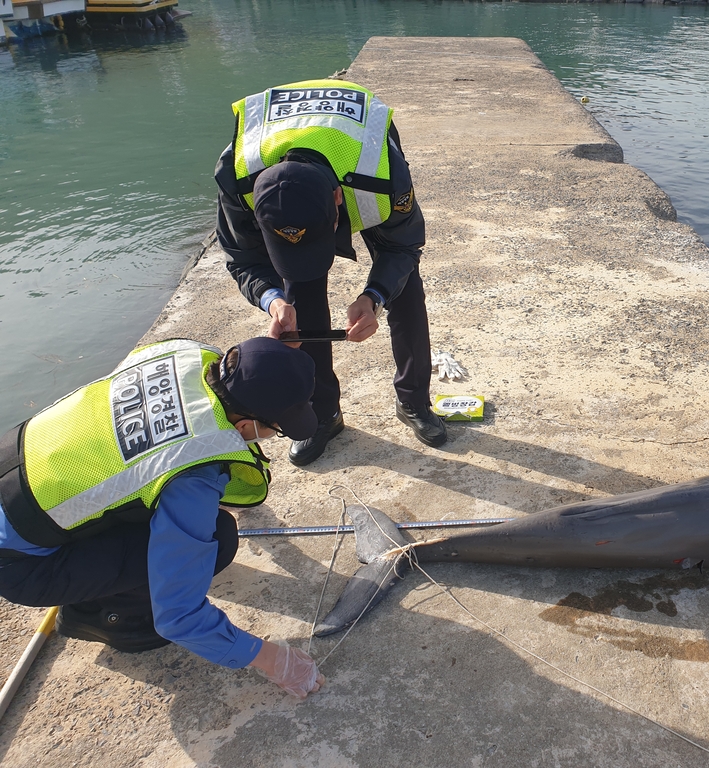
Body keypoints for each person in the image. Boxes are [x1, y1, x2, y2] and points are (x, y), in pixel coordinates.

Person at [0, 337, 325, 698]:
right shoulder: (193, 480)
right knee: (217, 537)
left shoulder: (189, 358)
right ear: (246, 427)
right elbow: (179, 616)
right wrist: (274, 660)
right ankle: (107, 616)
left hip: (15, 469)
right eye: (275, 428)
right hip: (19, 566)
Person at [214, 78, 447, 468]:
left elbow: (404, 246)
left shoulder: (384, 174)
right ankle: (324, 414)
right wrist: (272, 301)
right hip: (293, 156)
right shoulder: (236, 179)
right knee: (297, 297)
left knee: (403, 289)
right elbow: (241, 257)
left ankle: (412, 400)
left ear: (339, 201)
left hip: (357, 163)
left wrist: (374, 296)